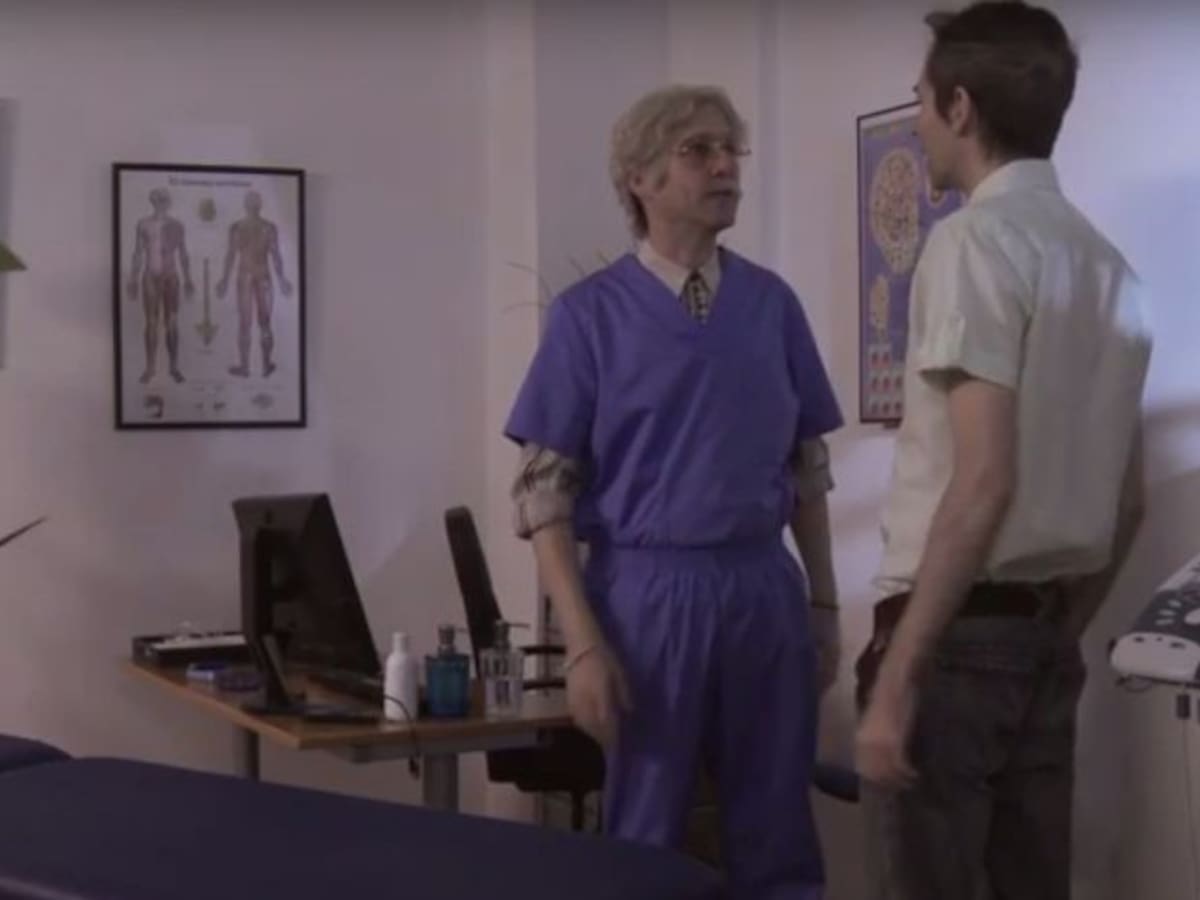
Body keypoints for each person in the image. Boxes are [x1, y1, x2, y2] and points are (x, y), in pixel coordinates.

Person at [505, 85, 843, 899]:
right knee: (646, 833)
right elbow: (545, 498)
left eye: (731, 149)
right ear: (640, 180)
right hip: (646, 596)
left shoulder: (772, 306)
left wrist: (825, 605)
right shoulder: (589, 318)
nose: (725, 167)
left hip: (763, 587)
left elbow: (808, 469)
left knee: (778, 827)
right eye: (698, 151)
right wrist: (583, 645)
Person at [853, 4, 1153, 899]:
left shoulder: (972, 242)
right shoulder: (1109, 269)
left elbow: (983, 482)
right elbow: (1127, 500)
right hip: (1046, 639)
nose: (916, 120)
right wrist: (1056, 633)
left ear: (960, 107)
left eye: (920, 99)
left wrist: (900, 675)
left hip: (952, 641)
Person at [216, 190, 293, 378]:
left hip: (245, 277)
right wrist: (282, 279)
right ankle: (265, 366)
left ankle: (246, 368)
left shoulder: (238, 227)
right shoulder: (268, 227)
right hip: (262, 276)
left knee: (246, 323)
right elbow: (275, 256)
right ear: (259, 206)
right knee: (264, 323)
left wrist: (224, 280)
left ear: (246, 205)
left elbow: (231, 255)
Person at [127, 187, 194, 384]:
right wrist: (133, 278)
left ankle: (173, 367)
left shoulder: (176, 225)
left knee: (172, 321)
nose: (162, 203)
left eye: (165, 200)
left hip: (170, 276)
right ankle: (150, 368)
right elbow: (138, 253)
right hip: (150, 276)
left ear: (168, 202)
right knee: (151, 322)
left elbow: (183, 253)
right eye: (159, 199)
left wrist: (188, 279)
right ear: (153, 201)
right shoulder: (143, 224)